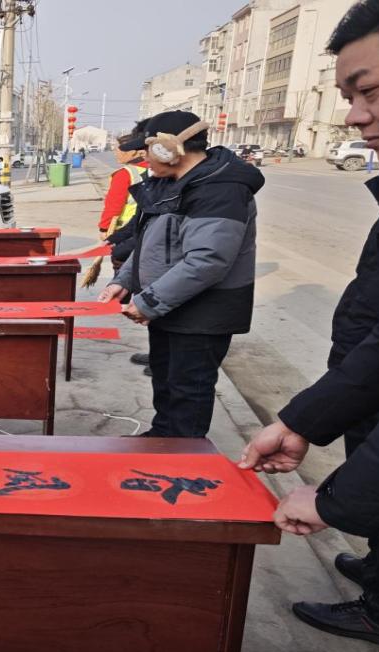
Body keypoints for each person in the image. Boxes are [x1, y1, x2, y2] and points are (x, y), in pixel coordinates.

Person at [239, 2, 379, 652]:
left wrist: (334, 500)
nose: (354, 117)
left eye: (369, 89)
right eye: (347, 96)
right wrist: (303, 420)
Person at [98, 110, 263, 438]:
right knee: (165, 379)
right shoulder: (169, 184)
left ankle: (183, 453)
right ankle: (162, 439)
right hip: (170, 306)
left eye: (147, 149)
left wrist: (150, 301)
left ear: (169, 149)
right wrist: (124, 281)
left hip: (202, 313)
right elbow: (150, 242)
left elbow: (208, 260)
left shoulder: (220, 190)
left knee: (188, 390)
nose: (144, 158)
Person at [100, 120, 152, 369]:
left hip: (134, 240)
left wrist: (106, 232)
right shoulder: (153, 175)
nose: (116, 153)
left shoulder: (126, 174)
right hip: (131, 234)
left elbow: (113, 205)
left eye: (119, 149)